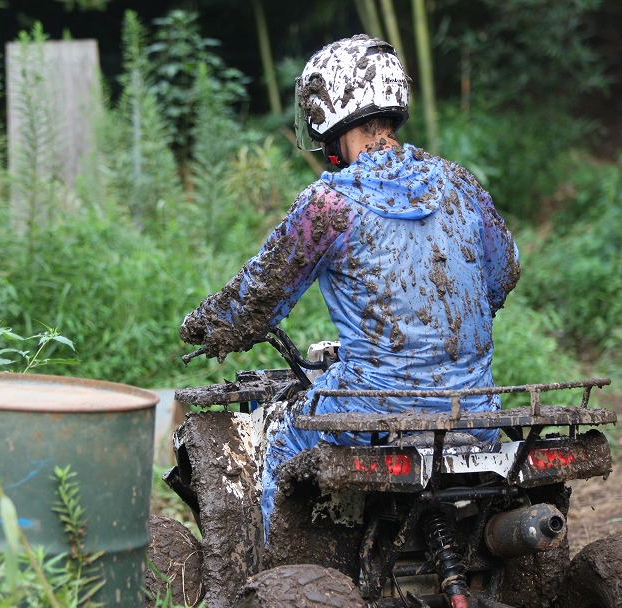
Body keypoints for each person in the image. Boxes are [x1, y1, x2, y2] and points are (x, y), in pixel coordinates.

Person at [179, 34, 521, 539]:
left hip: (370, 409)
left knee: (279, 440)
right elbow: (504, 272)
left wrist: (204, 326)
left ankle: (270, 573)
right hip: (475, 412)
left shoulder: (330, 205)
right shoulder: (459, 185)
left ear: (329, 120)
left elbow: (256, 299)